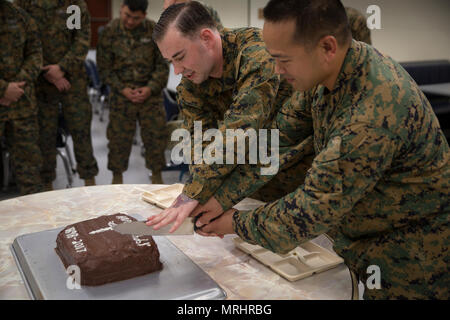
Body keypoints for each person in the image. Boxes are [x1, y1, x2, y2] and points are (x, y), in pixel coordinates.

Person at [200, 0, 449, 299]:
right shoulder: (327, 74)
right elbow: (278, 140)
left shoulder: (369, 116)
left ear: (327, 47)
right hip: (359, 239)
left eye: (284, 60)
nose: (277, 71)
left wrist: (232, 223)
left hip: (408, 263)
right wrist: (220, 196)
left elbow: (307, 211)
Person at [146, 1, 303, 232]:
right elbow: (198, 145)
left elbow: (239, 130)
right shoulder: (190, 85)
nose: (177, 71)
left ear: (207, 38)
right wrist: (201, 197)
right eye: (171, 62)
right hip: (247, 185)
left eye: (179, 57)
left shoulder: (256, 54)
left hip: (298, 181)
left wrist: (193, 193)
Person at [15, 0, 99, 190]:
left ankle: (91, 188)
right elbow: (21, 41)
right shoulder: (24, 4)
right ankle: (47, 190)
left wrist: (62, 68)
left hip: (72, 82)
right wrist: (48, 72)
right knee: (44, 138)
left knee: (81, 134)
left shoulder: (73, 5)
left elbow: (81, 39)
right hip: (39, 82)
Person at [97, 0, 169, 184]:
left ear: (144, 16)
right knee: (118, 143)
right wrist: (122, 89)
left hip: (150, 97)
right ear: (121, 9)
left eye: (135, 18)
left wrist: (150, 88)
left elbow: (163, 66)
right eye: (127, 15)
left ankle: (157, 181)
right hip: (122, 97)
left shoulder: (154, 31)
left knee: (155, 141)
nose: (129, 21)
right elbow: (104, 69)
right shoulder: (109, 32)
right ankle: (116, 181)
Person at [0, 0, 44, 195]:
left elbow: (35, 55)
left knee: (30, 172)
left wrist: (15, 88)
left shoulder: (21, 17)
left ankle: (34, 224)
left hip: (21, 104)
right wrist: (3, 89)